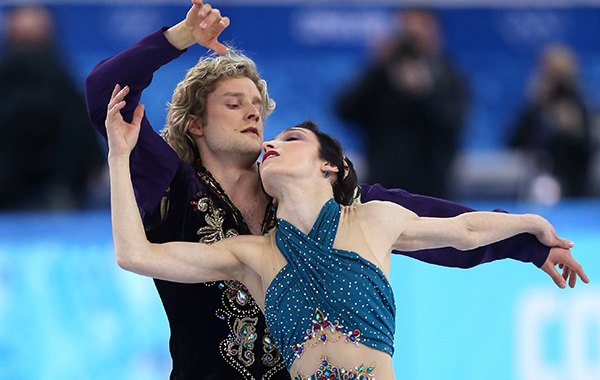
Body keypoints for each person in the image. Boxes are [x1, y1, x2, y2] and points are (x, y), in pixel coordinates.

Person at [85, 2, 584, 379]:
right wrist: (178, 37)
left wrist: (527, 243)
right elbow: (103, 91)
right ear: (195, 123)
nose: (254, 113)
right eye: (234, 104)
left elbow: (447, 225)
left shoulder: (321, 200)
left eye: (259, 105)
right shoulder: (171, 182)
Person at [106, 105, 589, 379]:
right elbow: (135, 254)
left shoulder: (375, 220)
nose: (270, 143)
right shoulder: (252, 254)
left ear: (328, 166)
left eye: (292, 138)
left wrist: (531, 226)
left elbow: (465, 231)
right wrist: (118, 158)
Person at [336, 7, 468, 199]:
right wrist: (377, 67)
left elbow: (453, 125)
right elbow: (344, 110)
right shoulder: (380, 77)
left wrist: (424, 93)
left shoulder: (449, 77)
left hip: (433, 191)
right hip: (383, 188)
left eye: (419, 31)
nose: (412, 39)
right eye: (406, 30)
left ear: (435, 34)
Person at [0, 5, 106, 210]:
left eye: (34, 42)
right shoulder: (64, 82)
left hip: (62, 187)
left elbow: (92, 160)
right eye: (23, 41)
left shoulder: (64, 85)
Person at [510, 43, 594, 199]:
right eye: (551, 73)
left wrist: (573, 132)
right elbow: (512, 142)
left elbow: (587, 152)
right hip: (540, 181)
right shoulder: (536, 107)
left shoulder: (579, 107)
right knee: (544, 189)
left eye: (560, 74)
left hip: (575, 187)